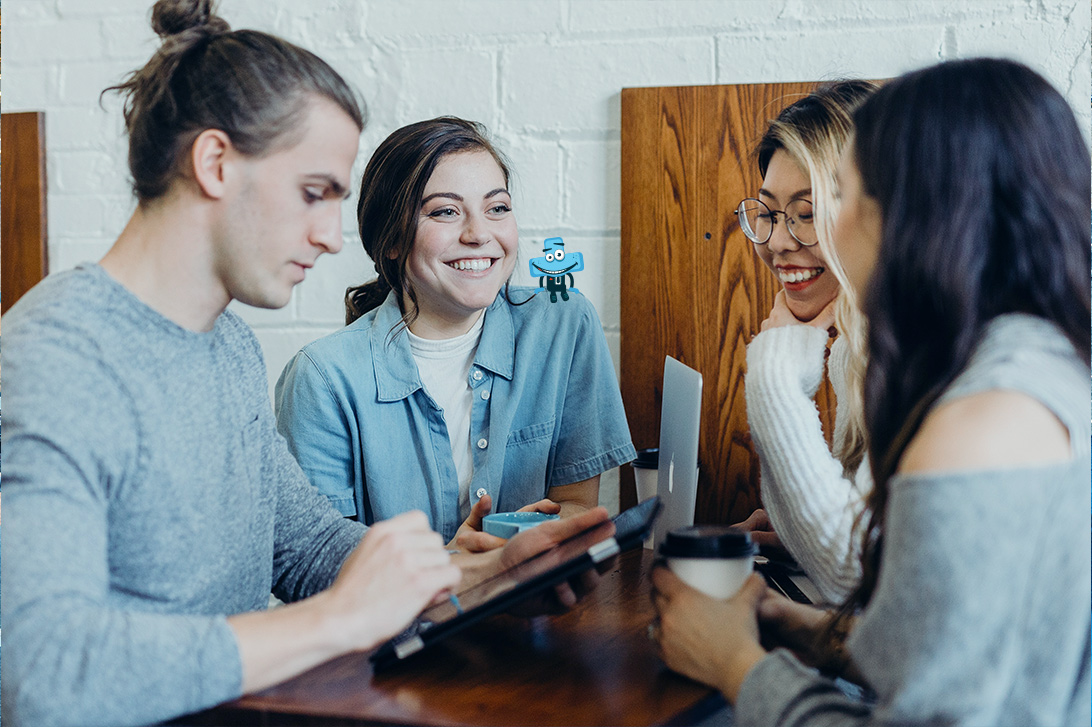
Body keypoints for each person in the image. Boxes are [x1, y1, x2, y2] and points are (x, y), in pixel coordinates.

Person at [0, 3, 611, 726]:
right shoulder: (55, 359)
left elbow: (309, 545)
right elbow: (41, 673)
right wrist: (339, 620)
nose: (329, 237)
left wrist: (475, 579)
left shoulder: (225, 345)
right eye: (313, 192)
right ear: (215, 163)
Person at [652, 57, 1090, 725]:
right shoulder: (1038, 364)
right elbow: (963, 658)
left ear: (919, 212)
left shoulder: (980, 421)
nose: (811, 232)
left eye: (844, 194)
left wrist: (736, 664)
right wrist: (808, 631)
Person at [275, 116, 636, 550]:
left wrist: (521, 543)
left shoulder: (564, 325)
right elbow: (321, 563)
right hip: (402, 618)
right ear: (390, 240)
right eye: (445, 211)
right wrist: (456, 566)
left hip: (535, 609)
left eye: (497, 208)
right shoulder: (322, 378)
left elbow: (577, 505)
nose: (479, 234)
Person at [732, 80, 876, 603]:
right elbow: (867, 555)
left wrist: (773, 375)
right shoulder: (855, 347)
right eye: (767, 213)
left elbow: (853, 576)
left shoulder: (918, 353)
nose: (777, 242)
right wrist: (797, 533)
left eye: (808, 213)